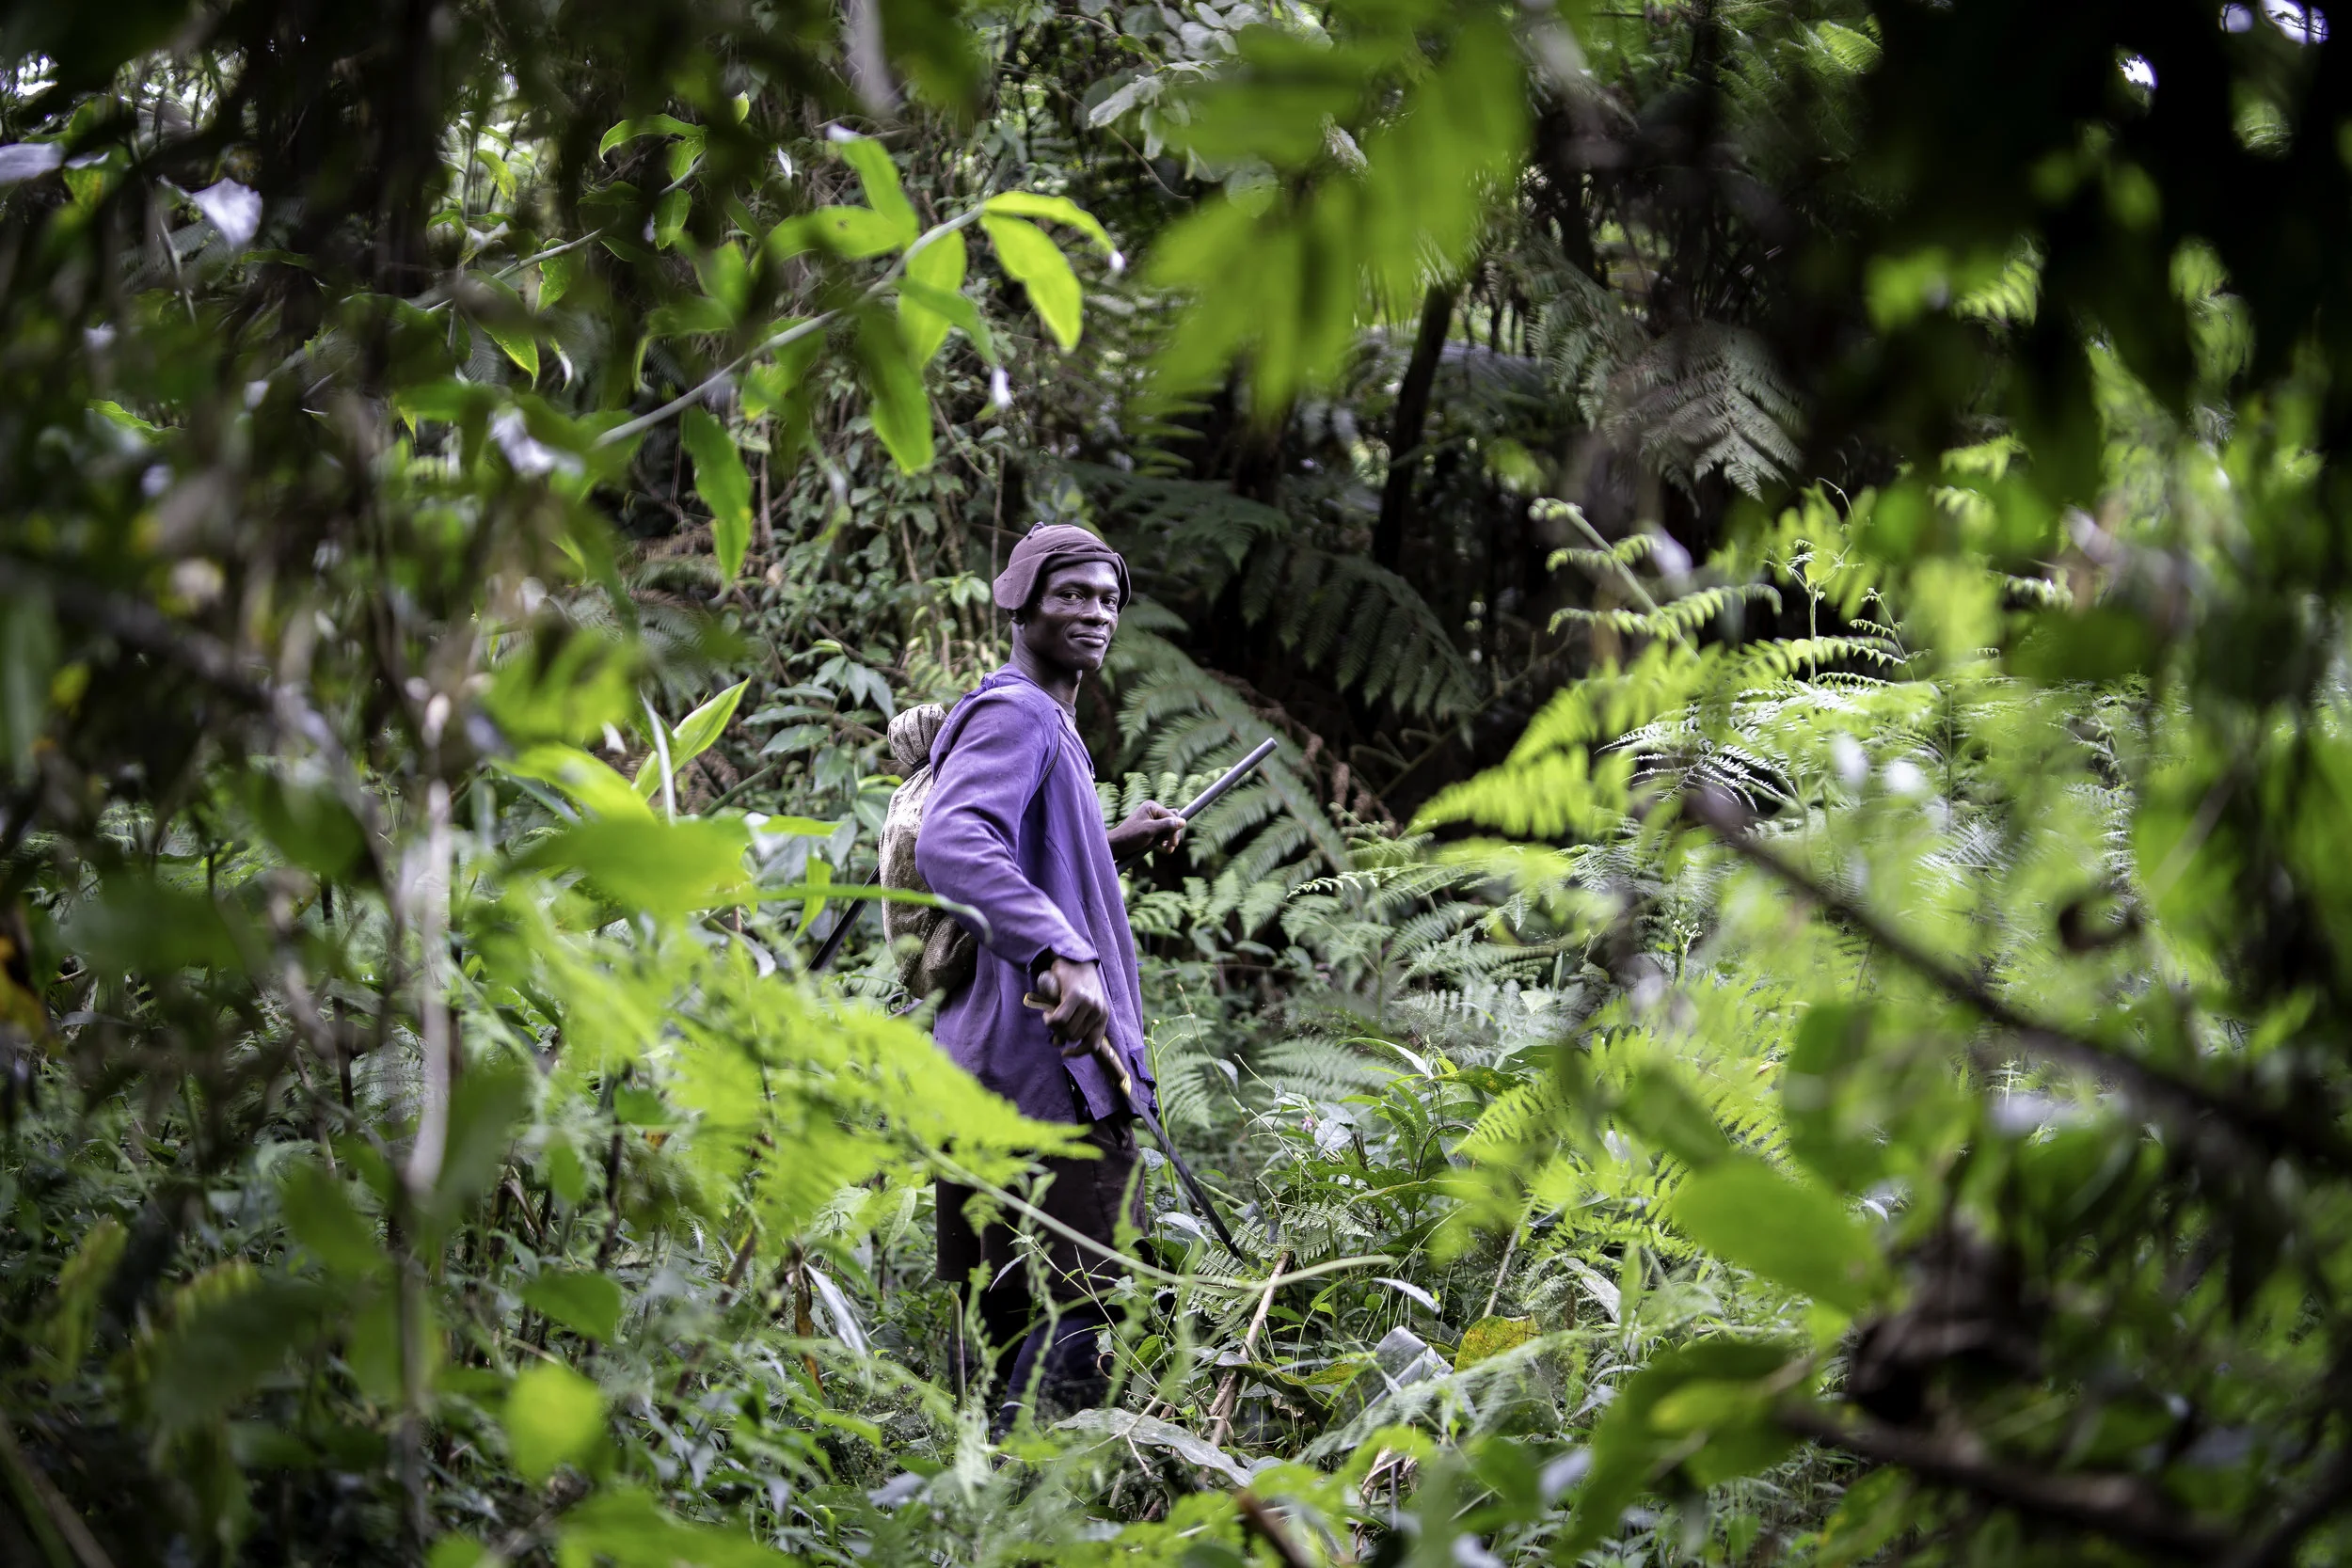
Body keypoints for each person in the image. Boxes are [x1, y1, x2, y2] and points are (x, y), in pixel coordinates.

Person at [914, 523, 1185, 1437]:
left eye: (1108, 597)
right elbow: (951, 841)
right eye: (1071, 592)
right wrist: (1063, 950)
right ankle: (1027, 1494)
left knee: (1013, 1301)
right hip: (1050, 1065)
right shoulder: (1019, 712)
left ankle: (979, 1502)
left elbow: (1020, 851)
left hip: (987, 1060)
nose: (1094, 612)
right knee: (1091, 1306)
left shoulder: (1037, 719)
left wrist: (1107, 847)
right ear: (1021, 599)